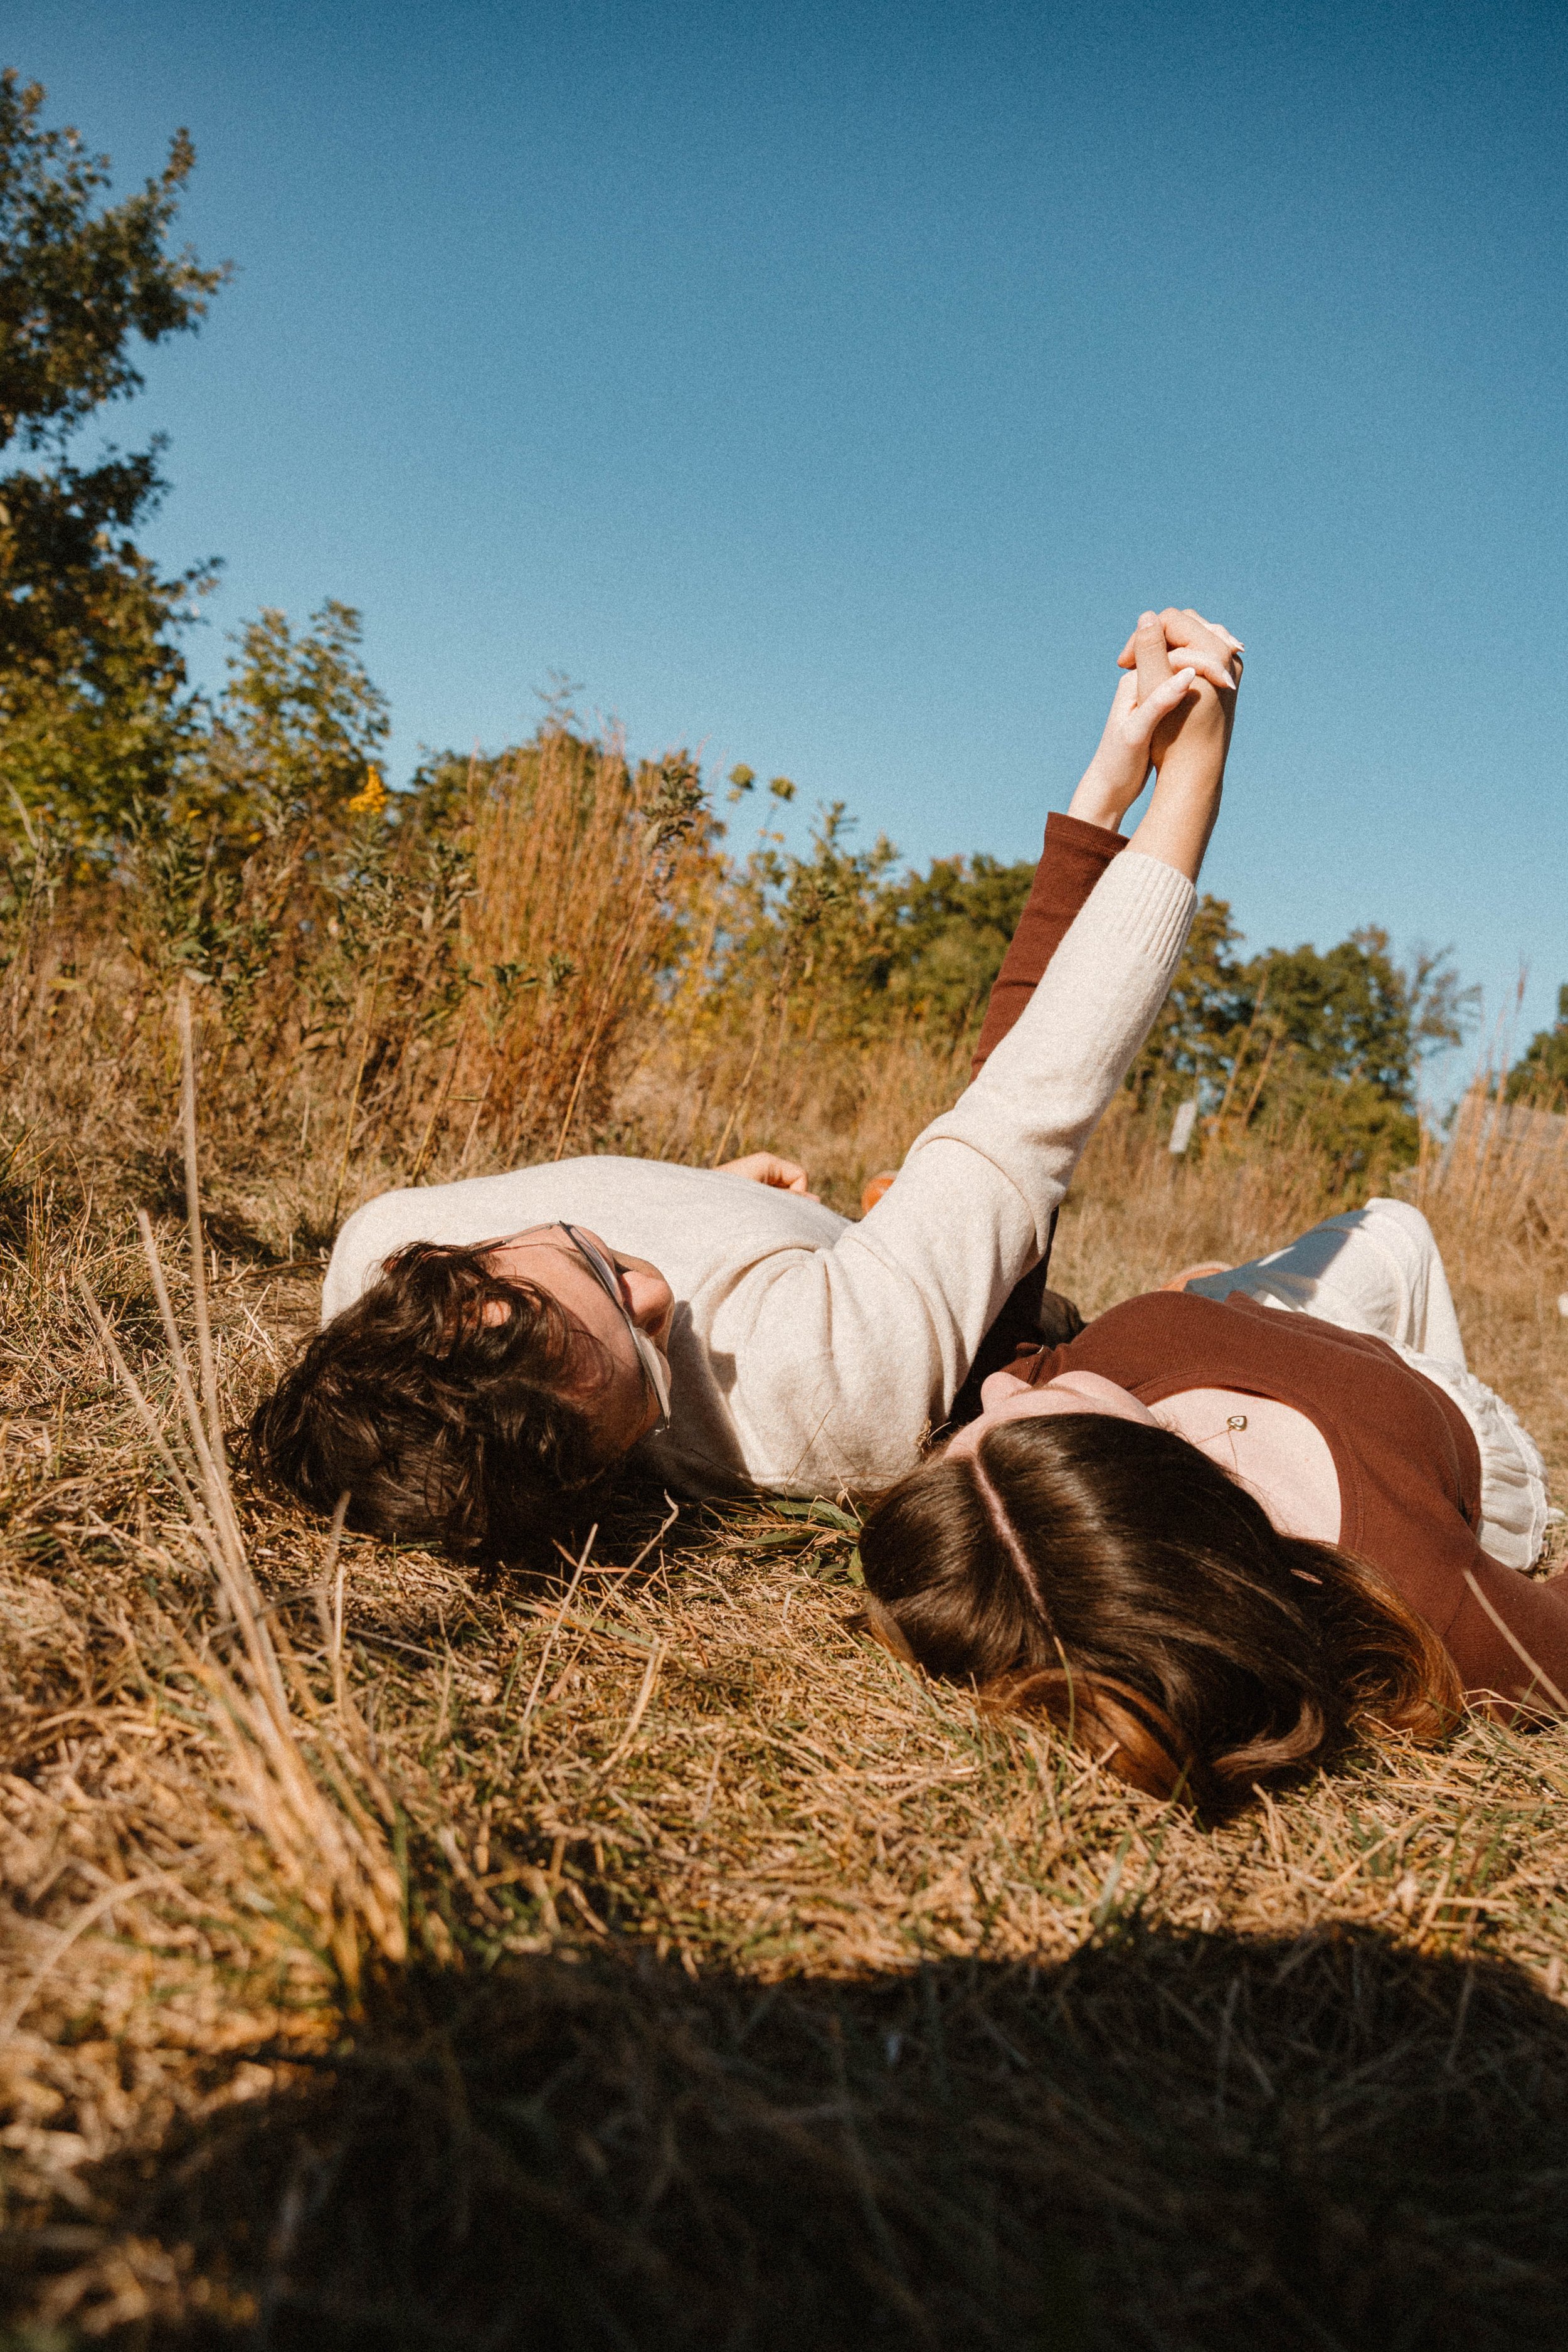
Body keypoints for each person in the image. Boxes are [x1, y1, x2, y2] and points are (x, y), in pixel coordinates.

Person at [252, 608, 1243, 1557]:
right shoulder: (822, 1391)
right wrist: (1184, 781)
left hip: (855, 1274)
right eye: (654, 1372)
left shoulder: (377, 1249)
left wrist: (713, 1198)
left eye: (604, 1272)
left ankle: (957, 1250)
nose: (660, 1293)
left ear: (451, 1282)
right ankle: (1158, 1297)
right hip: (986, 1348)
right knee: (1291, 1291)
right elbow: (1020, 1103)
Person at [857, 1199, 1562, 1816]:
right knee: (1406, 1240)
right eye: (1041, 1411)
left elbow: (1007, 1344)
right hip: (1444, 1419)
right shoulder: (1424, 1587)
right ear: (1157, 1477)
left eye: (965, 1441)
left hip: (1260, 1320)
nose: (997, 1394)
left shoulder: (1097, 1374)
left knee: (1391, 1224)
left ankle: (1219, 1291)